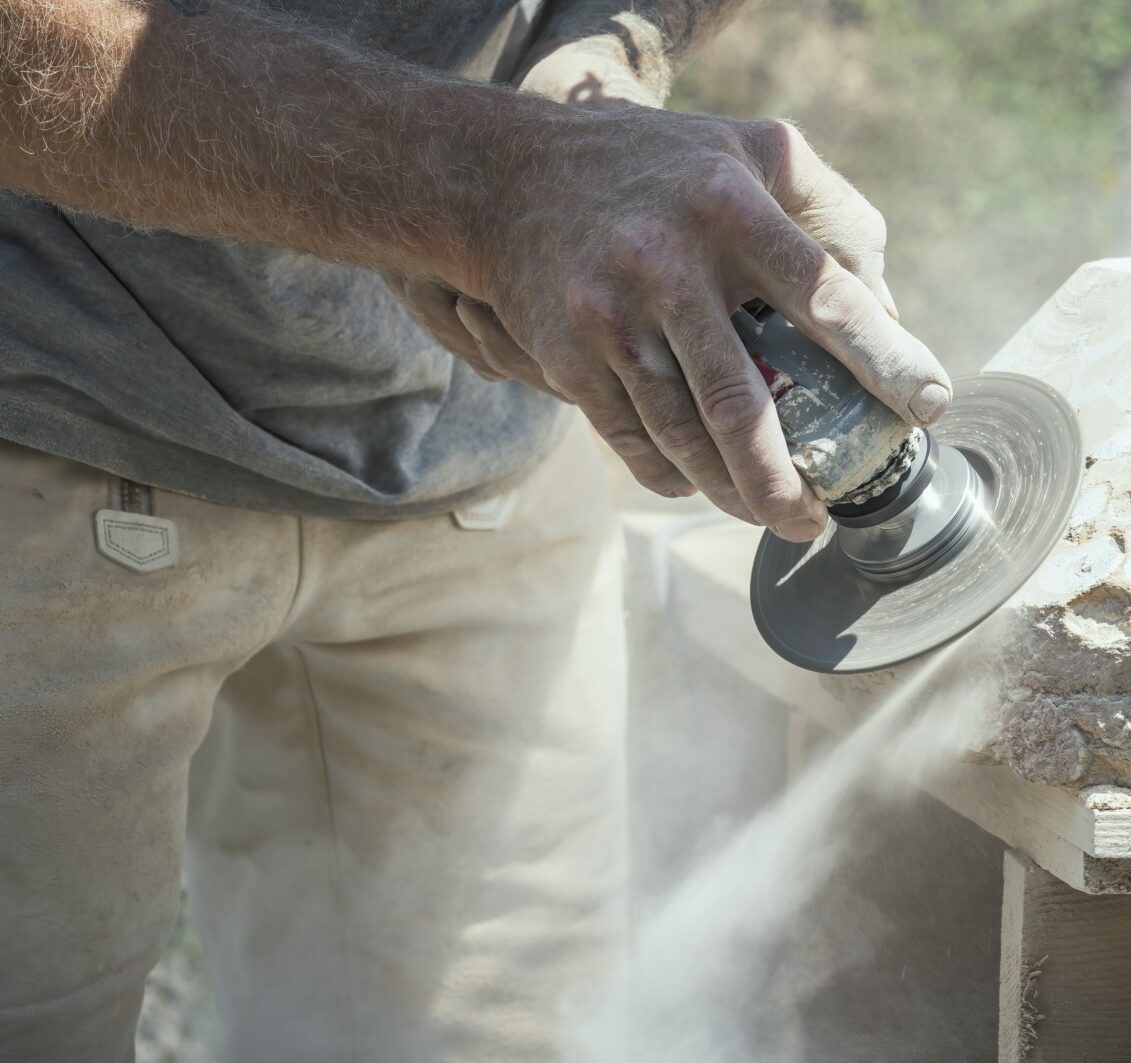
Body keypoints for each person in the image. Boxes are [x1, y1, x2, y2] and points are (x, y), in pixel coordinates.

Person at [0, 1, 951, 1059]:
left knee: (513, 1036)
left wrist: (598, 49)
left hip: (479, 455)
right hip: (49, 416)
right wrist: (484, 180)